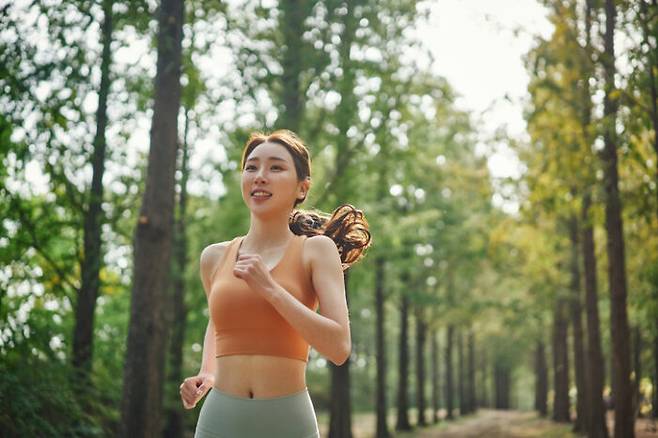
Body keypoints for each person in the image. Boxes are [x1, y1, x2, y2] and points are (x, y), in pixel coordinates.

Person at [179, 129, 371, 437]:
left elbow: (338, 347)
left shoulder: (315, 250)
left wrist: (270, 289)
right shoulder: (214, 257)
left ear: (302, 187)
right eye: (251, 167)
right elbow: (219, 324)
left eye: (276, 167)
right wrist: (206, 373)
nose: (260, 176)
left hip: (287, 419)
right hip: (220, 418)